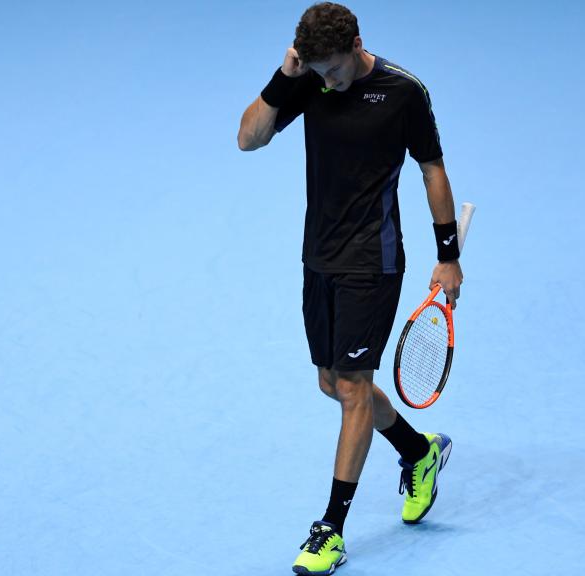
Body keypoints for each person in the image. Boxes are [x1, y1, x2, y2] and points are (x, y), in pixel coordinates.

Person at [237, 3, 464, 574]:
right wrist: (285, 78)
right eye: (318, 71)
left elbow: (431, 168)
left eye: (335, 69)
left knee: (355, 386)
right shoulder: (309, 80)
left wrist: (448, 257)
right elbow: (248, 139)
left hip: (373, 260)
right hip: (319, 256)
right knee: (333, 385)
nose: (329, 81)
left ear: (359, 44)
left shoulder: (402, 92)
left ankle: (330, 529)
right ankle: (419, 451)